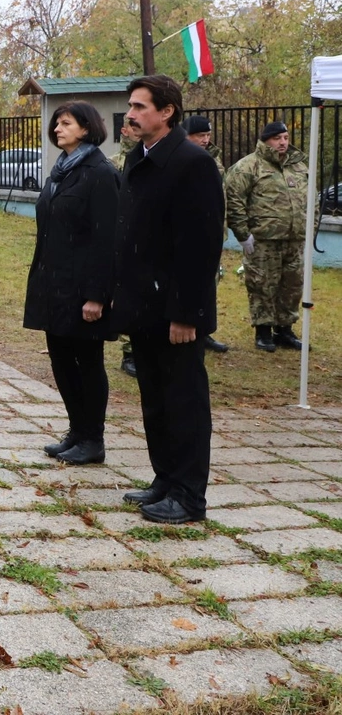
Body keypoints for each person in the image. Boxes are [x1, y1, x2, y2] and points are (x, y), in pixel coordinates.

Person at [112, 75, 224, 525]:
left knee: (184, 400)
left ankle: (189, 495)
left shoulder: (191, 163)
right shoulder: (139, 158)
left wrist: (187, 313)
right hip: (143, 304)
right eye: (131, 106)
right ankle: (165, 480)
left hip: (175, 308)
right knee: (154, 398)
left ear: (167, 112)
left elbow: (200, 247)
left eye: (140, 107)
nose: (131, 114)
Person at [23, 102, 119, 466]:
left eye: (66, 123)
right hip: (54, 285)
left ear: (86, 127)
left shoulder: (99, 173)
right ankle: (77, 431)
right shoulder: (60, 172)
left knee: (87, 362)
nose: (58, 128)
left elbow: (106, 239)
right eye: (56, 123)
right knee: (62, 360)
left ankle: (93, 437)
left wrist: (97, 295)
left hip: (83, 290)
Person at [224, 120, 310, 353]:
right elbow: (235, 202)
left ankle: (285, 329)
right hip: (263, 241)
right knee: (263, 285)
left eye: (285, 138)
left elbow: (310, 198)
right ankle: (263, 332)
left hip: (294, 238)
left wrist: (308, 226)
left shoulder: (299, 166)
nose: (282, 143)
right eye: (277, 138)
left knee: (292, 285)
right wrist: (243, 235)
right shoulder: (248, 167)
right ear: (265, 140)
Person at [181, 115, 230, 354]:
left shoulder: (214, 161)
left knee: (209, 286)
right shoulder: (178, 160)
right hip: (185, 239)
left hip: (212, 235)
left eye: (208, 135)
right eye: (200, 135)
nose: (205, 140)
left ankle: (204, 330)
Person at [111, 121, 140, 379]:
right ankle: (129, 353)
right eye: (132, 125)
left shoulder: (156, 160)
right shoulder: (113, 164)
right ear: (124, 131)